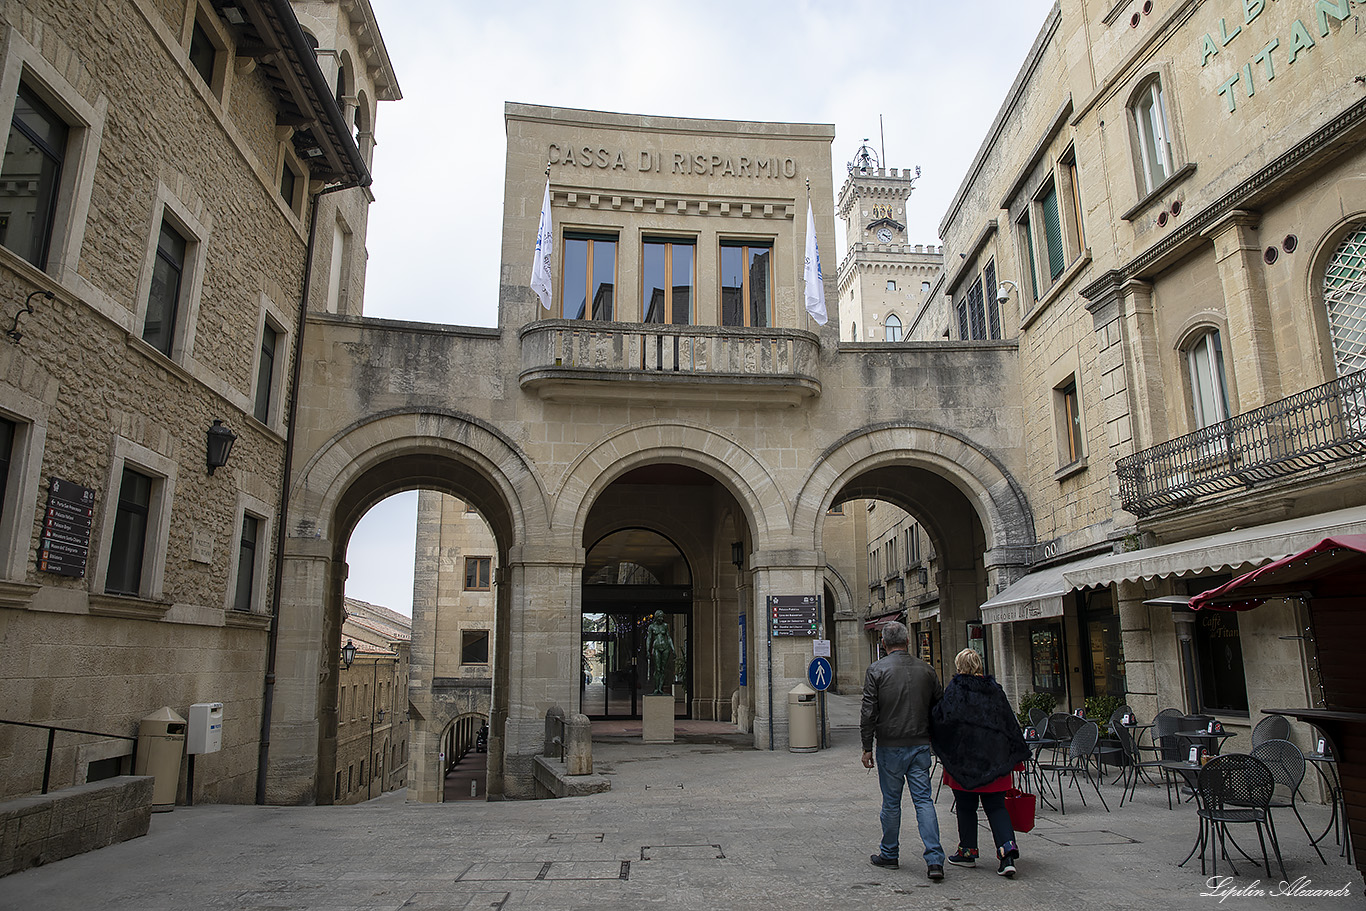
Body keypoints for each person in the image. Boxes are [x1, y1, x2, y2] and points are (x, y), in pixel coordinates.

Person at [929, 647, 1030, 878]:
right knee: (996, 807)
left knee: (966, 807)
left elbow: (941, 720)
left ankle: (967, 852)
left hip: (964, 761)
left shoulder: (955, 690)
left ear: (959, 666)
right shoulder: (994, 690)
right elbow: (1008, 724)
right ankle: (1007, 855)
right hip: (994, 761)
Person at [860, 621, 946, 880]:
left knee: (891, 803)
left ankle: (889, 853)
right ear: (908, 642)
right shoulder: (926, 670)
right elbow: (939, 708)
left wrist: (866, 747)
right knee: (923, 801)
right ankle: (934, 860)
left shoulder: (876, 670)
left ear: (883, 644)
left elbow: (868, 712)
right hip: (920, 745)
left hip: (890, 746)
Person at [644, 610, 675, 695]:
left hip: (665, 648)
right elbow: (649, 638)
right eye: (660, 617)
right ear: (656, 617)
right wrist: (647, 649)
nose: (661, 618)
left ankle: (660, 689)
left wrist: (673, 648)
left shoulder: (665, 626)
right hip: (656, 647)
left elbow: (668, 637)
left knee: (663, 669)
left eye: (662, 617)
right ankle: (656, 688)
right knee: (657, 669)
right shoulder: (651, 627)